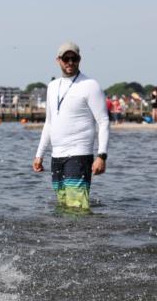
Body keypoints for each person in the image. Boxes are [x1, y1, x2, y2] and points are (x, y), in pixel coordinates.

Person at [32, 42, 110, 210]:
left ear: (79, 59)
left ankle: (83, 228)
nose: (70, 62)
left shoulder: (90, 85)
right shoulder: (52, 86)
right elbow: (49, 122)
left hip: (79, 154)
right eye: (65, 59)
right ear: (58, 60)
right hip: (56, 156)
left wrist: (101, 156)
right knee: (62, 207)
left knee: (77, 208)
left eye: (73, 58)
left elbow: (103, 121)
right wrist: (39, 155)